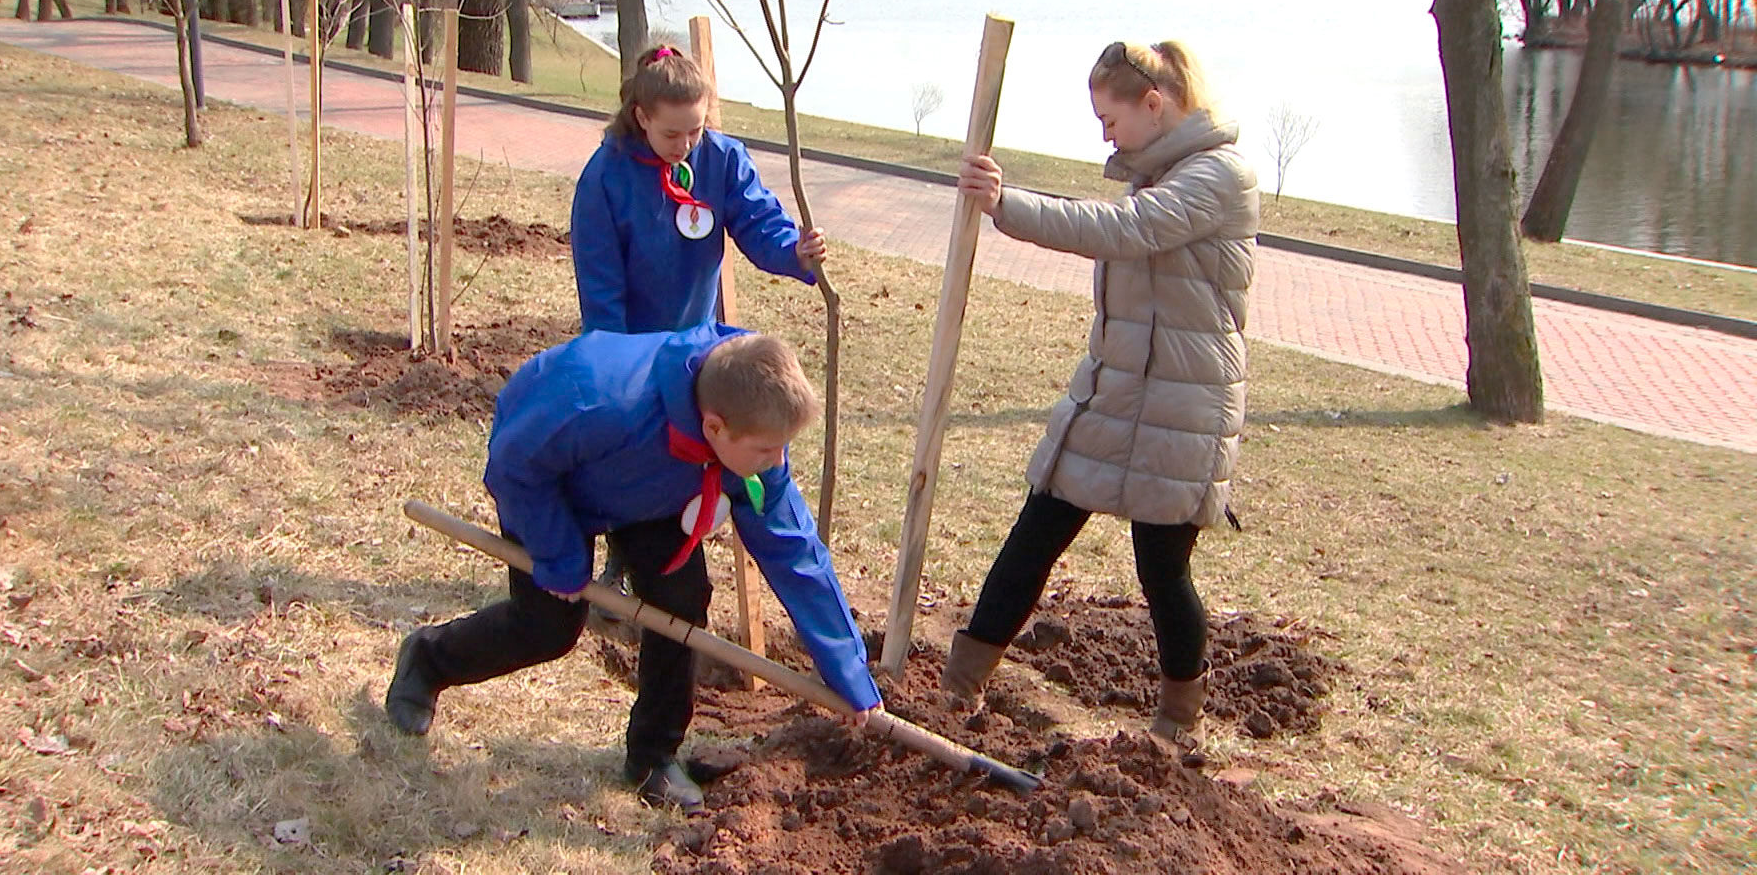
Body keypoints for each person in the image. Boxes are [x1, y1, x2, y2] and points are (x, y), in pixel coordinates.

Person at [384, 326, 882, 813]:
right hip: (555, 484)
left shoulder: (751, 415)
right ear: (714, 426)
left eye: (781, 449)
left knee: (681, 601)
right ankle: (429, 659)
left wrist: (849, 672)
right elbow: (514, 467)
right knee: (549, 629)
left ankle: (653, 755)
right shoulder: (595, 399)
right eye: (765, 451)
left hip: (660, 488)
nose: (776, 462)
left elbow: (795, 554)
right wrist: (559, 554)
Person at [941, 40, 1258, 751]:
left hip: (1185, 403)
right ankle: (958, 686)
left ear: (1155, 104)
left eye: (1110, 121)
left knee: (1161, 567)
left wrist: (1005, 205)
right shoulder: (1160, 176)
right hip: (1113, 392)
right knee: (1037, 530)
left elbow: (1124, 234)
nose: (1104, 136)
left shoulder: (1217, 177)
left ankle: (1178, 721)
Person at [569, 44, 827, 335]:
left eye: (695, 130)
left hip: (697, 338)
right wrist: (618, 361)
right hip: (631, 345)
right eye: (671, 134)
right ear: (642, 118)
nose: (685, 146)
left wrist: (794, 250)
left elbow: (759, 221)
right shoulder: (604, 177)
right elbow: (600, 286)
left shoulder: (723, 159)